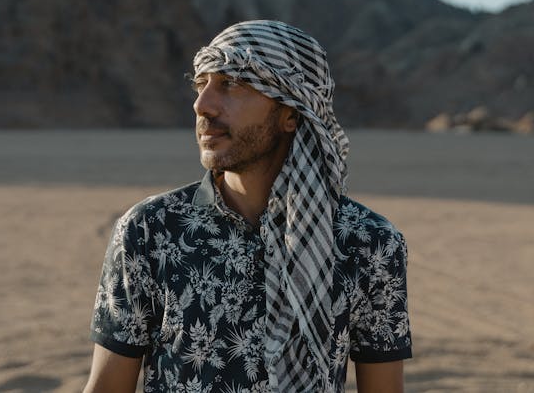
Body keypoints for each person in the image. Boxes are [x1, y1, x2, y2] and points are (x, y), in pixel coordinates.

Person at [83, 20, 411, 393]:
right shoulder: (150, 230)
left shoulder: (367, 242)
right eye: (200, 83)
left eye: (231, 83)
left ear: (291, 113)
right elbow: (107, 386)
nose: (201, 104)